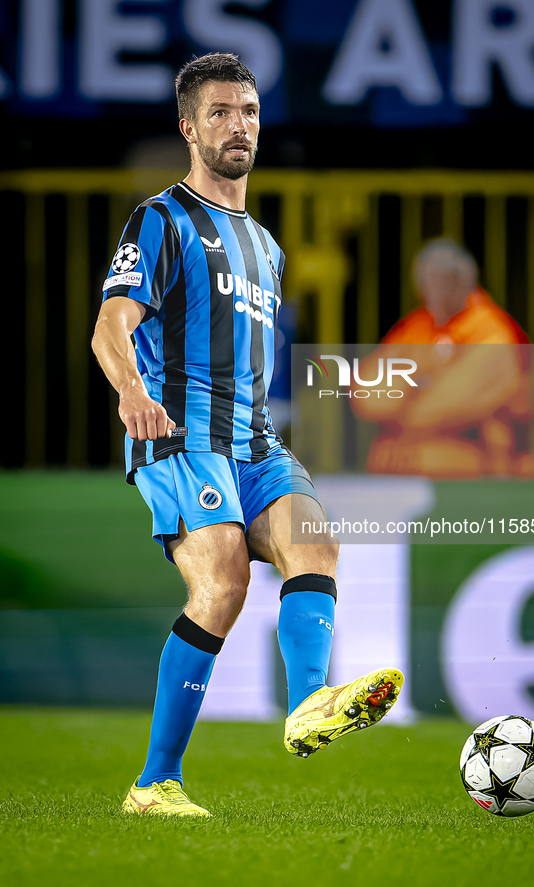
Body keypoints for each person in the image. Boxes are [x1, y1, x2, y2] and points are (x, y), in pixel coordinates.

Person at [91, 53, 403, 818]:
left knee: (317, 542)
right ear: (188, 126)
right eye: (221, 112)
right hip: (178, 430)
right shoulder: (160, 219)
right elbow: (110, 324)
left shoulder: (266, 248)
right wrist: (132, 391)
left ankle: (307, 707)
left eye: (250, 112)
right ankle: (154, 783)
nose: (239, 125)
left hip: (254, 438)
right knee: (224, 578)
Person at [352, 239, 534, 478]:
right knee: (385, 455)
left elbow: (439, 408)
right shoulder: (419, 324)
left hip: (487, 475)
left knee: (395, 455)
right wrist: (426, 378)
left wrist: (408, 389)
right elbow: (365, 394)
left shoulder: (493, 331)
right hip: (408, 462)